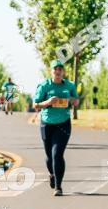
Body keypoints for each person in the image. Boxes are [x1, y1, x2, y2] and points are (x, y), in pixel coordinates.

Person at [32, 60, 79, 196]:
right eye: (55, 69)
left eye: (60, 69)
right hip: (46, 124)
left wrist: (73, 100)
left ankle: (58, 186)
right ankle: (52, 174)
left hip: (63, 123)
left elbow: (76, 100)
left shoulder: (69, 85)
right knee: (49, 156)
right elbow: (35, 105)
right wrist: (48, 102)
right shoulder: (44, 86)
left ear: (63, 71)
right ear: (51, 71)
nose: (58, 72)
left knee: (57, 154)